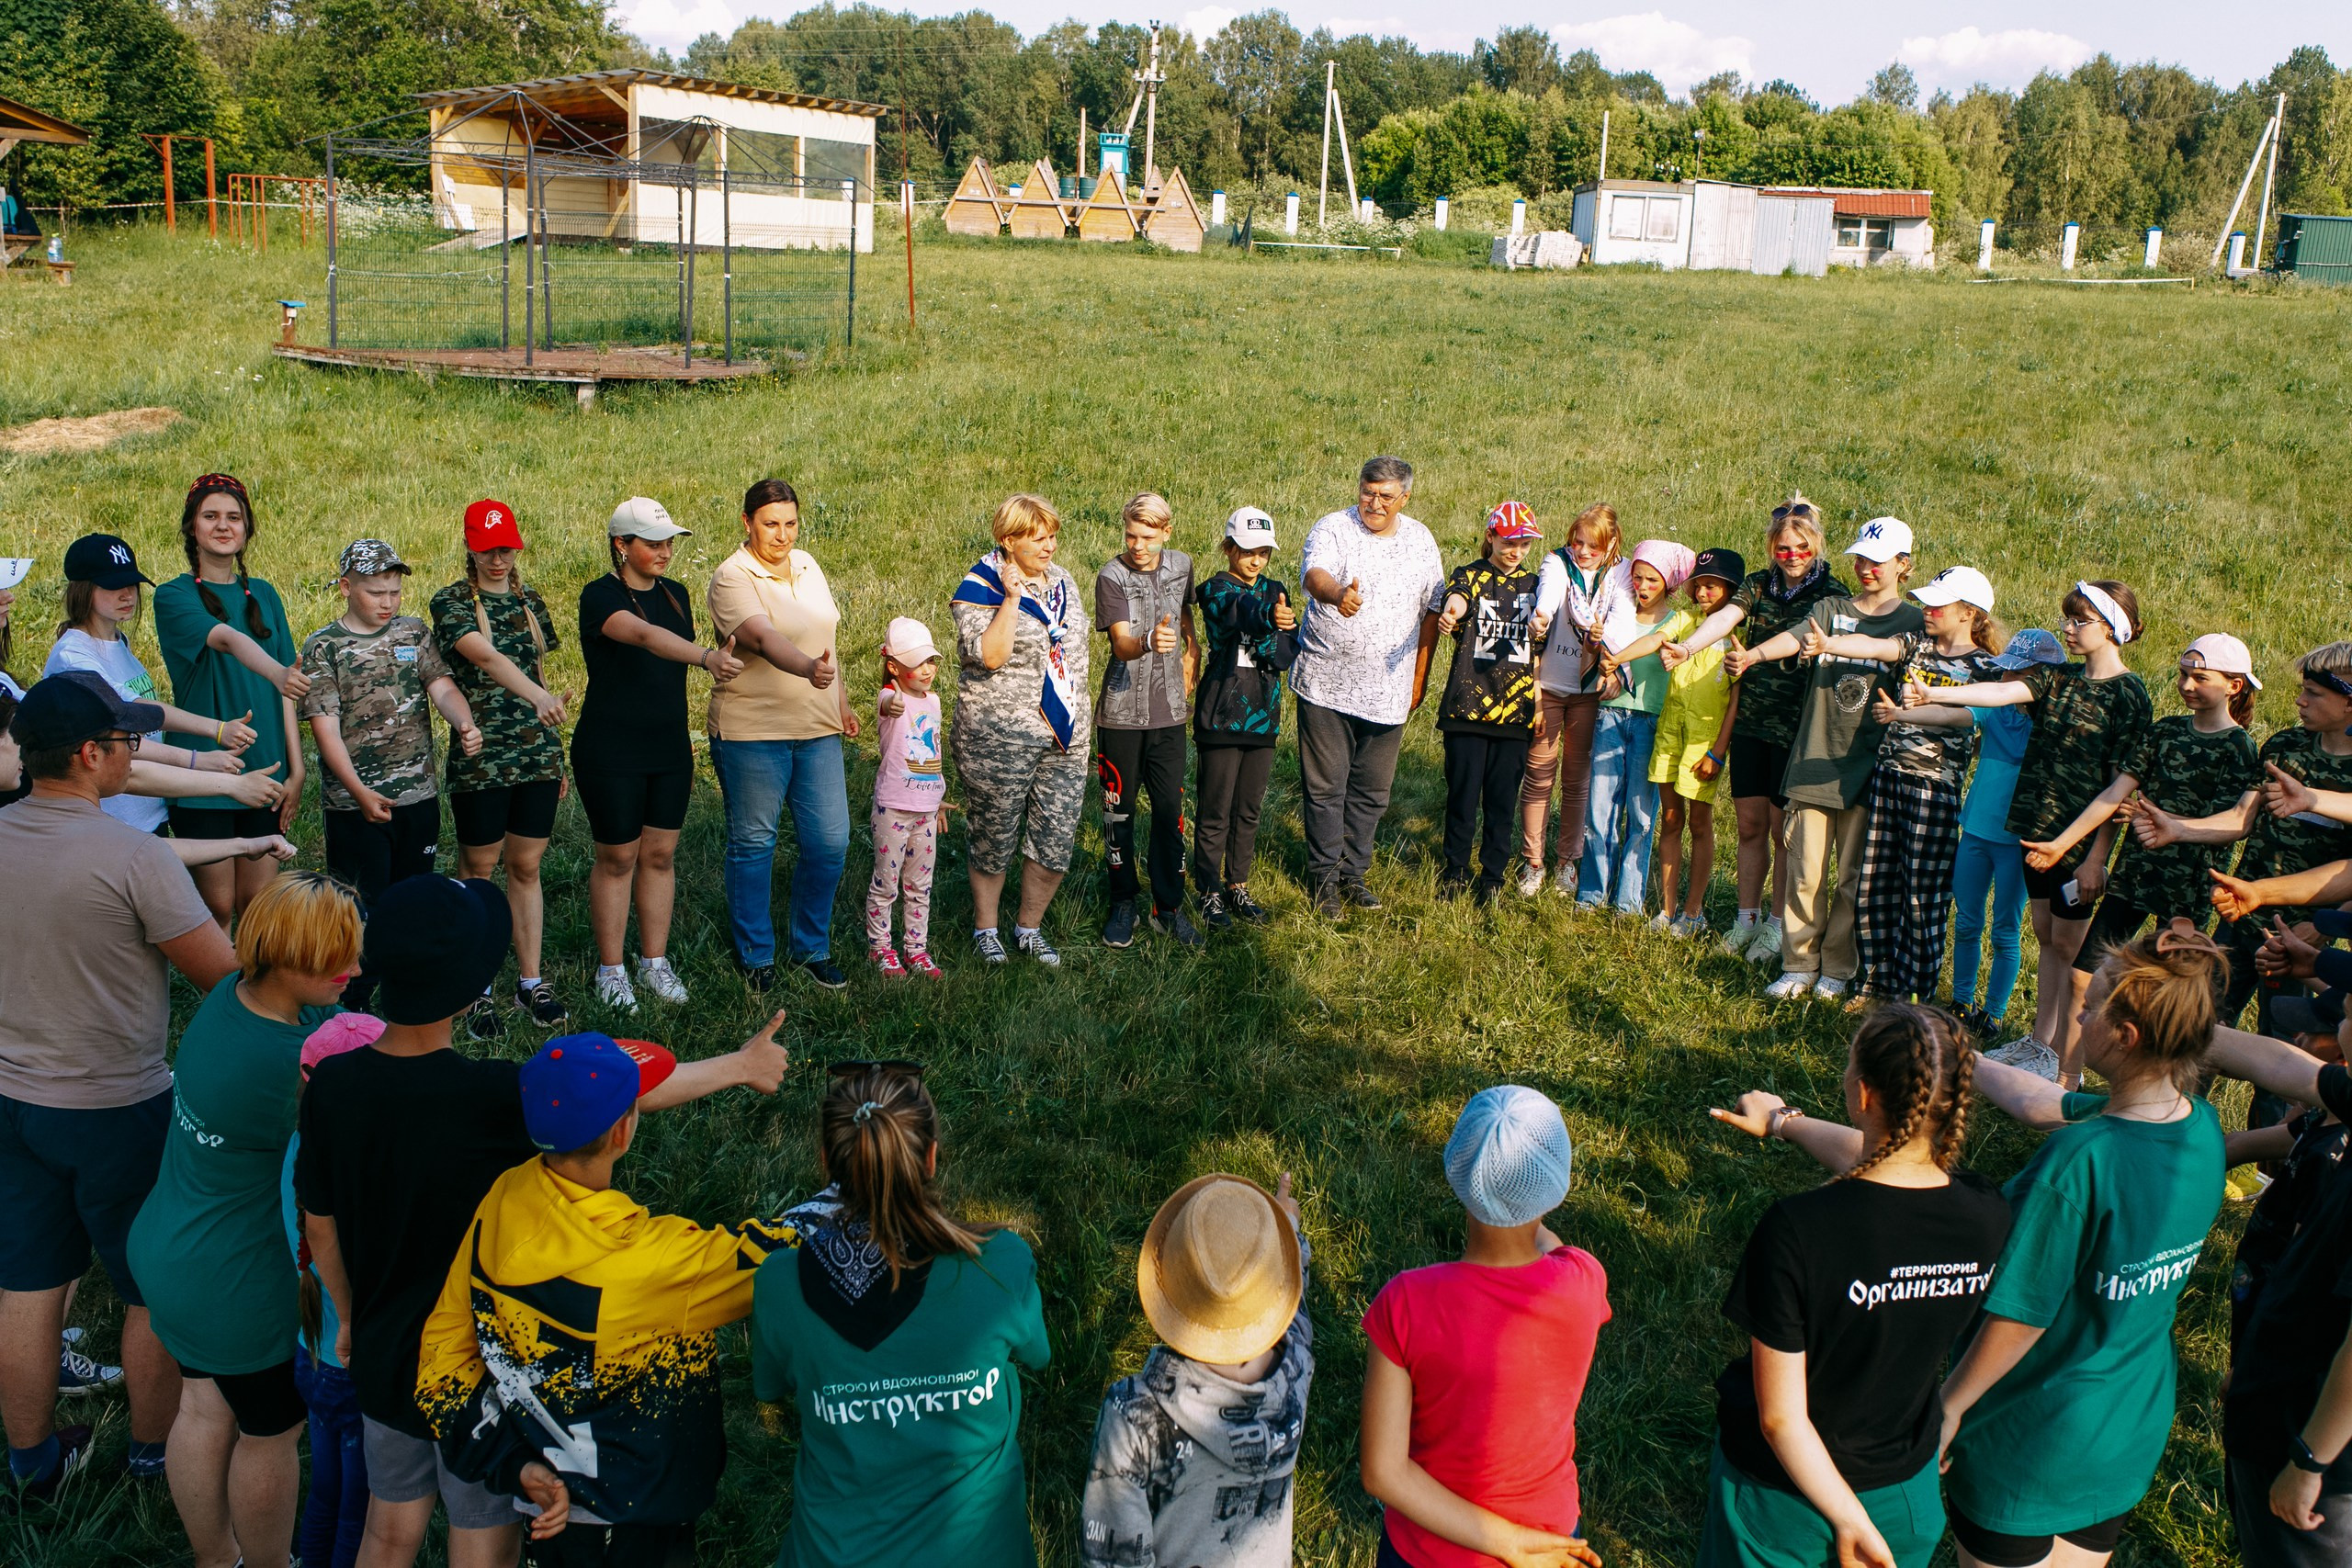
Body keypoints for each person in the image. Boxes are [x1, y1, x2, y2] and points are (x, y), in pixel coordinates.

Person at [295, 874, 789, 1568]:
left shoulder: (333, 1086)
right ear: (468, 989)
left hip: (380, 1355)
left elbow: (320, 1226)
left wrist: (347, 1317)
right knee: (481, 1531)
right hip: (477, 1369)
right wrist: (738, 1065)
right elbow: (619, 1091)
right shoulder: (489, 1095)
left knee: (387, 1530)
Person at [417, 1032, 803, 1568]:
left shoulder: (503, 1200)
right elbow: (782, 1258)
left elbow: (441, 1366)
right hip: (637, 1519)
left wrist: (513, 1466)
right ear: (624, 1132)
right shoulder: (651, 1262)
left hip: (552, 1505)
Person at [0, 672, 236, 1500]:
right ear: (90, 755)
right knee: (149, 1286)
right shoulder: (134, 856)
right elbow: (224, 977)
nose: (135, 750)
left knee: (27, 1281)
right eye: (128, 740)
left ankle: (32, 1462)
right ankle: (149, 1452)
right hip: (116, 1104)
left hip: (10, 1100)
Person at [1939, 926, 2229, 1568]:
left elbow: (2021, 1315)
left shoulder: (2078, 1163)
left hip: (2030, 1436)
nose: (2080, 1013)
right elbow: (2050, 1101)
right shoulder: (2198, 1127)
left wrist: (1949, 1406)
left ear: (2126, 1036)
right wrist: (1966, 1058)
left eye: (2093, 1007)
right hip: (2123, 1429)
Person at [1702, 1006, 2011, 1568]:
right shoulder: (1986, 1212)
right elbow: (1886, 1167)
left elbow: (1781, 1418)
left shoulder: (1799, 1230)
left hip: (1784, 1504)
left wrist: (1846, 1516)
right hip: (1904, 1495)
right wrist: (1782, 1121)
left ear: (1863, 1094)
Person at [127, 872, 362, 1568]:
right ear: (287, 957)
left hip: (172, 1249)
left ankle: (215, 1558)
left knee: (202, 1408)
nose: (353, 970)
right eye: (335, 959)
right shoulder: (285, 1066)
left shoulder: (233, 994)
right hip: (236, 1283)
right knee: (270, 1432)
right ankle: (268, 1562)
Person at [751, 1064, 1051, 1568]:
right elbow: (1037, 1355)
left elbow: (770, 1385)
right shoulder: (1002, 1265)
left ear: (828, 1163)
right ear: (931, 1158)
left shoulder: (781, 1283)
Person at [1908, 580, 2154, 1083]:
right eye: (2068, 618)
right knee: (2046, 938)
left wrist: (2093, 858)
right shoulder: (2059, 677)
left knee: (2073, 952)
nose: (2067, 628)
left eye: (2078, 620)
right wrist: (1933, 690)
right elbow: (2003, 691)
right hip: (2034, 835)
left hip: (2077, 844)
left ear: (2112, 629)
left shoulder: (2129, 695)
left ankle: (2069, 1064)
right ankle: (2040, 1043)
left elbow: (2118, 786)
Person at [1360, 1086, 1610, 1568]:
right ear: (1556, 1184)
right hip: (1552, 1543)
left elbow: (1382, 1472)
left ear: (1457, 1169)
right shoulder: (1584, 1282)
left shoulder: (1405, 1303)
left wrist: (1507, 1543)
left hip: (1427, 1553)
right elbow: (1550, 1245)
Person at [1725, 518, 1922, 1004]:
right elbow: (1796, 638)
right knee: (1805, 872)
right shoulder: (1830, 608)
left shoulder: (1915, 622)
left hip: (1870, 766)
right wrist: (1754, 656)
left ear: (1904, 564)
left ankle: (1837, 967)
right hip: (1814, 759)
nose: (1865, 568)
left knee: (1853, 877)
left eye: (1877, 561)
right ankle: (1798, 965)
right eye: (1860, 558)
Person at [1081, 1172, 1313, 1568]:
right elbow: (1293, 1304)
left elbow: (1113, 1558)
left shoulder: (1133, 1417)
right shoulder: (1298, 1368)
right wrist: (1288, 1230)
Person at [1801, 562, 2003, 1007]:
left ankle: (1915, 993)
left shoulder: (1986, 668)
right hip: (1889, 781)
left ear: (1968, 613)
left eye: (1937, 605)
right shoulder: (1918, 645)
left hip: (1934, 792)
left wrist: (1905, 714)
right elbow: (1878, 646)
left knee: (1922, 896)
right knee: (1876, 886)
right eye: (1925, 603)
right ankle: (1874, 981)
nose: (1925, 610)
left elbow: (1964, 718)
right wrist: (1830, 642)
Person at [1664, 496, 1850, 968]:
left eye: (1801, 547)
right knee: (1749, 825)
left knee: (1781, 831)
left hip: (1799, 728)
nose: (1792, 556)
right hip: (1750, 723)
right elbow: (1727, 617)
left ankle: (1776, 923)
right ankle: (1746, 919)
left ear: (1816, 545)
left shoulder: (1834, 592)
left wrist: (1756, 656)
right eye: (1783, 548)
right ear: (1771, 548)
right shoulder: (1759, 584)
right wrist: (1688, 649)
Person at [576, 498, 744, 1010]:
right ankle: (611, 970)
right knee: (618, 856)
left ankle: (655, 962)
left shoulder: (677, 595)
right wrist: (706, 657)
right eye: (653, 543)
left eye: (669, 542)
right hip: (610, 747)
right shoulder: (599, 595)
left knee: (659, 854)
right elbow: (645, 636)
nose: (665, 551)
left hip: (668, 746)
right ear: (621, 546)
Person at [2139, 641, 2352, 1039]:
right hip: (2240, 912)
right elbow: (2240, 818)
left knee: (2283, 1041)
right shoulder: (2286, 746)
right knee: (2198, 1028)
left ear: (2349, 704)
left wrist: (2322, 929)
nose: (2299, 701)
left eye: (2314, 693)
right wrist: (2179, 829)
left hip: (2297, 934)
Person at [2203, 1019, 2352, 1567]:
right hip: (2279, 1391)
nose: (2338, 1022)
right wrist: (2178, 1013)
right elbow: (2295, 1073)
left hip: (2314, 1444)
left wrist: (2311, 1460)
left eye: (2350, 1013)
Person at [2021, 634, 2262, 968]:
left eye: (2200, 678)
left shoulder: (2238, 747)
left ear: (2233, 686)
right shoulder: (2164, 731)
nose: (2187, 685)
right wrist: (2061, 844)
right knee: (2085, 975)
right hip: (2132, 876)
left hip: (2187, 889)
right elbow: (2114, 793)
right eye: (2182, 675)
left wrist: (2166, 822)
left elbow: (2233, 824)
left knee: (2167, 987)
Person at [707, 479, 856, 992]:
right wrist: (808, 669)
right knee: (754, 843)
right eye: (771, 524)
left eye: (790, 523)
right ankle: (756, 956)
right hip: (752, 732)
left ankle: (811, 946)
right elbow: (763, 639)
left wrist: (839, 701)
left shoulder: (809, 566)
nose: (782, 534)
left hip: (817, 730)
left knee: (831, 841)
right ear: (747, 523)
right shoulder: (732, 576)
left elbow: (825, 638)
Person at [430, 499, 571, 1031]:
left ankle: (531, 983)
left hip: (535, 754)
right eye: (488, 549)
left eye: (507, 548)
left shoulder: (529, 600)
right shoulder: (450, 602)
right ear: (469, 546)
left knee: (527, 867)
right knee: (479, 870)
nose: (498, 559)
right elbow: (484, 656)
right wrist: (539, 697)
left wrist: (555, 751)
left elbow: (535, 660)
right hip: (482, 757)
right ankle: (477, 985)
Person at [1292, 457, 1445, 917]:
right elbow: (1314, 575)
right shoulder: (1333, 529)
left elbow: (1433, 612)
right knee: (1326, 788)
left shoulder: (1421, 541)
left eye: (1385, 495)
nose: (1373, 503)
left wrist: (1419, 677)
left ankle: (1353, 873)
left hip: (1389, 690)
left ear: (1405, 498)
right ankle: (1324, 880)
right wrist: (1337, 594)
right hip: (1325, 682)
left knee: (1372, 791)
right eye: (1366, 491)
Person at [154, 472, 311, 923]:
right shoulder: (174, 595)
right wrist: (277, 671)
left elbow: (288, 690)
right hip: (204, 773)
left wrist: (296, 769)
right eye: (210, 516)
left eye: (234, 517)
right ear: (192, 527)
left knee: (258, 905)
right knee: (218, 906)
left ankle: (254, 989)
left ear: (247, 529)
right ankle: (221, 990)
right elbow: (224, 638)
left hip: (266, 769)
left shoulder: (263, 593)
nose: (223, 526)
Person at [950, 493, 1092, 967]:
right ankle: (986, 929)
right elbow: (990, 655)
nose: (1050, 546)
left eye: (1052, 535)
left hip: (1064, 734)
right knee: (995, 834)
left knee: (1056, 835)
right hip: (1000, 736)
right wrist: (1012, 598)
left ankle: (1028, 928)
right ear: (1008, 540)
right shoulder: (980, 586)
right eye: (1037, 538)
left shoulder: (1063, 581)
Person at [300, 539, 480, 915]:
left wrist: (464, 722)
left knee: (412, 901)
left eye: (395, 593)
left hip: (417, 796)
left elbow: (441, 687)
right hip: (354, 803)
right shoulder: (324, 647)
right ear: (346, 587)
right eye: (376, 593)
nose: (388, 603)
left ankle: (406, 971)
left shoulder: (412, 633)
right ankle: (360, 976)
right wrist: (359, 792)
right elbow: (325, 729)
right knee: (359, 907)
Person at [46, 531, 264, 834]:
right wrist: (211, 738)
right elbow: (131, 713)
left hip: (145, 812)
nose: (128, 594)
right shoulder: (73, 657)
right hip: (112, 821)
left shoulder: (117, 641)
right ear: (83, 589)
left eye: (132, 583)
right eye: (113, 585)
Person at [288, 1013, 385, 1568]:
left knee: (325, 1487)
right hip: (354, 1365)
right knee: (360, 1509)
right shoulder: (361, 1179)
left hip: (311, 1354)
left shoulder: (293, 1154)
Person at [1412, 502, 1544, 904]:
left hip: (1517, 711)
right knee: (1463, 797)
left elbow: (1544, 649)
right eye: (1508, 541)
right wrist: (1452, 614)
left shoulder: (1537, 586)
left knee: (1503, 802)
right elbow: (1457, 600)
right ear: (1490, 536)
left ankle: (1492, 878)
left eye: (1523, 543)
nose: (1516, 550)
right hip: (1467, 707)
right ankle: (1454, 871)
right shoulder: (1468, 575)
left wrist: (1540, 704)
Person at [1094, 492, 1202, 949]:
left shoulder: (1181, 564)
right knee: (1118, 814)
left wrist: (1192, 653)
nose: (1138, 545)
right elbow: (1120, 644)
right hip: (1121, 715)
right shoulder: (1111, 576)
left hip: (1171, 716)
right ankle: (1124, 904)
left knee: (1169, 814)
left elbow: (1183, 611)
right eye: (1131, 536)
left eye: (1148, 537)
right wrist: (1148, 644)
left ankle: (1168, 907)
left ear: (1166, 533)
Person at [1943, 631, 2061, 1042]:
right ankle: (1961, 1001)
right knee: (1968, 920)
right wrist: (1917, 707)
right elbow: (1959, 714)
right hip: (1975, 830)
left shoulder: (2052, 722)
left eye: (2022, 672)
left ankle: (1993, 1013)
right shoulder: (1995, 709)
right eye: (2010, 669)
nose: (2012, 678)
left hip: (2017, 842)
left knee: (2006, 929)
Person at [1191, 507, 1299, 929]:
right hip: (1220, 715)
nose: (1256, 560)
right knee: (1215, 808)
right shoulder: (1215, 589)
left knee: (1249, 808)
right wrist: (1269, 618)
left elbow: (1288, 650)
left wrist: (1281, 634)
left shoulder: (1278, 589)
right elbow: (1234, 609)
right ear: (1229, 548)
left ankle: (1237, 883)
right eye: (1248, 551)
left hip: (1263, 715)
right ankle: (1208, 890)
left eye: (1264, 552)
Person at [1519, 503, 1629, 897]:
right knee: (1538, 774)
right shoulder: (1556, 562)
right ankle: (1534, 862)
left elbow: (1621, 619)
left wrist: (1605, 645)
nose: (1582, 552)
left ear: (1611, 544)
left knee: (1577, 778)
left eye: (1592, 547)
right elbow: (1548, 591)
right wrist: (1543, 615)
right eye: (1577, 542)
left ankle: (1568, 861)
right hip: (1548, 685)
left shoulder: (1621, 573)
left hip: (1588, 690)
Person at [1581, 539, 1693, 915]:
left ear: (1669, 583)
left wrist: (1614, 663)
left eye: (1652, 580)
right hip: (1611, 716)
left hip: (1651, 721)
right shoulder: (1620, 614)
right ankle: (1591, 893)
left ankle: (1627, 900)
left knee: (1641, 815)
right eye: (1638, 578)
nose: (1643, 588)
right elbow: (1598, 658)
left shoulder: (1677, 623)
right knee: (1600, 810)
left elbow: (1653, 646)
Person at [1645, 547, 1743, 935]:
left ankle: (1694, 910)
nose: (1703, 593)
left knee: (1699, 824)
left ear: (1731, 591)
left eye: (1712, 586)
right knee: (1670, 819)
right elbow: (1657, 640)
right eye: (1698, 585)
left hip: (1704, 742)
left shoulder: (1737, 634)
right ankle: (1668, 911)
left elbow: (1735, 696)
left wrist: (1717, 752)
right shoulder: (1684, 620)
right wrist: (1617, 658)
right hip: (1671, 731)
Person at [868, 617, 949, 978]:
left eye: (931, 661)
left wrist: (937, 797)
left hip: (925, 812)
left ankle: (916, 950)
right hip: (893, 810)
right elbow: (887, 704)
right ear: (893, 667)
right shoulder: (890, 697)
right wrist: (892, 703)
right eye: (917, 663)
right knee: (887, 883)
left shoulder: (933, 701)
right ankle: (881, 949)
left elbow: (934, 754)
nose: (927, 670)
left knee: (920, 885)